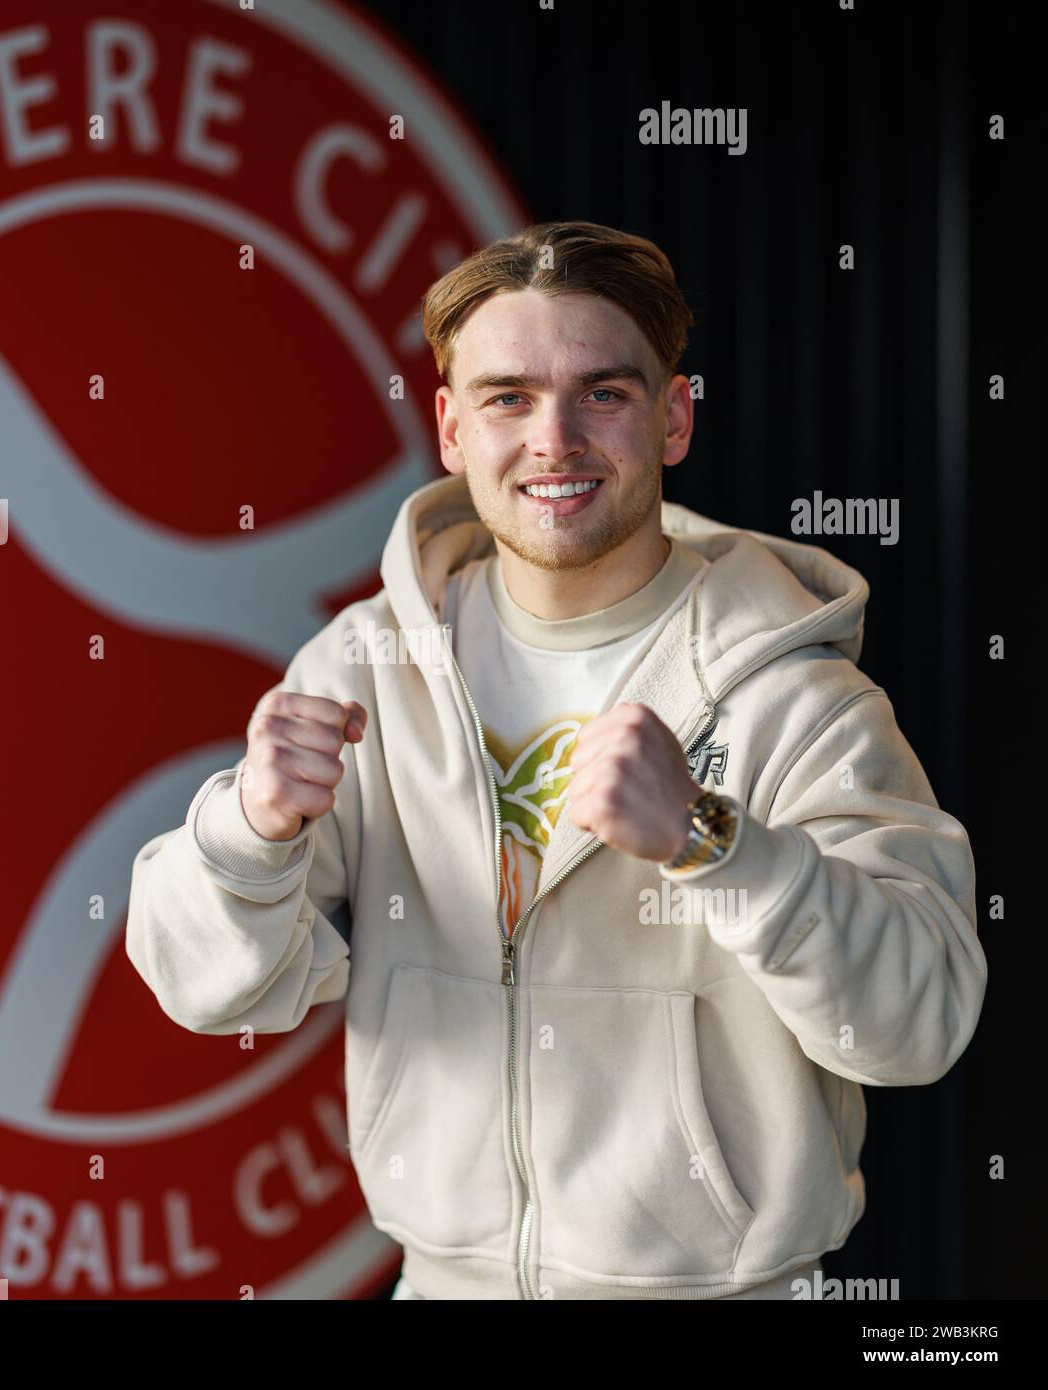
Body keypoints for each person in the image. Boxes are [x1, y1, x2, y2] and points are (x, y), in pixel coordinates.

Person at [125, 220, 987, 1300]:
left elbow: (920, 1022)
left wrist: (712, 841)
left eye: (605, 393)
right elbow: (201, 988)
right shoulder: (366, 666)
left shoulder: (792, 697)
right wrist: (246, 831)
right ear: (450, 426)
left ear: (673, 418)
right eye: (507, 397)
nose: (554, 437)